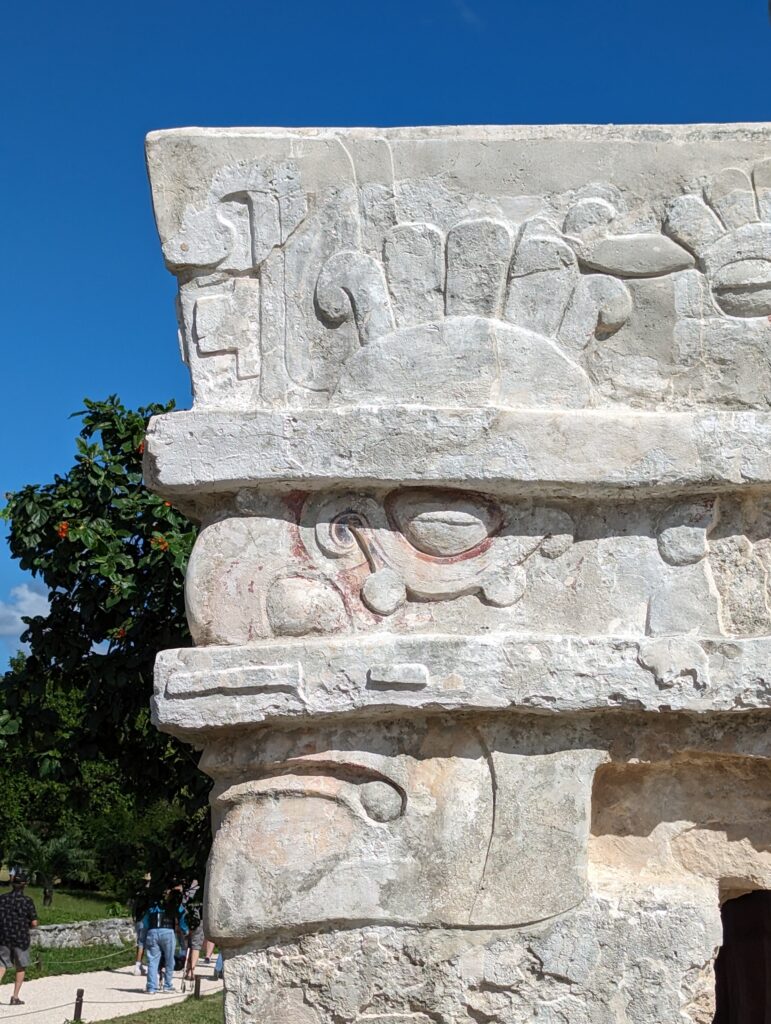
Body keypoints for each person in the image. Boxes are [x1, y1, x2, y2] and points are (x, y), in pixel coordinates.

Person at [140, 887, 188, 995]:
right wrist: (185, 930)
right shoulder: (173, 904)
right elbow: (181, 916)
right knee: (169, 960)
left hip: (152, 932)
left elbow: (145, 921)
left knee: (152, 960)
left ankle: (151, 987)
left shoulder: (152, 905)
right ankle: (167, 985)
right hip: (167, 931)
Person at [0, 872, 38, 1005]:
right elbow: (34, 923)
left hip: (4, 936)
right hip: (21, 938)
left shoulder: (2, 898)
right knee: (20, 967)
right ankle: (15, 997)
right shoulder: (27, 901)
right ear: (25, 885)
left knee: (2, 964)